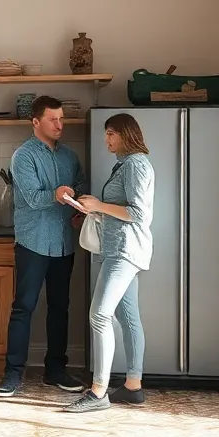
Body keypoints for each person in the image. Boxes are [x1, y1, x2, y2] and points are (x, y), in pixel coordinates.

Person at [0, 96, 87, 398]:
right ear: (36, 122)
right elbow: (33, 199)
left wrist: (79, 208)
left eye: (61, 118)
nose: (59, 124)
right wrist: (58, 194)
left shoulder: (70, 157)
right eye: (52, 119)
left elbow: (81, 188)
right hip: (33, 243)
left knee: (60, 308)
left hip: (63, 244)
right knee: (24, 308)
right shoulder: (23, 156)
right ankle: (12, 374)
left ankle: (55, 370)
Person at [65, 113, 155, 413]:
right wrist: (93, 208)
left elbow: (139, 214)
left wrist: (100, 206)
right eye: (106, 134)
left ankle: (98, 392)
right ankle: (133, 387)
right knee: (129, 318)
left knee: (99, 316)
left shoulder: (135, 164)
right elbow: (123, 209)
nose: (107, 140)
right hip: (121, 248)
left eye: (111, 134)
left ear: (126, 134)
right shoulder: (128, 165)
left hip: (124, 251)